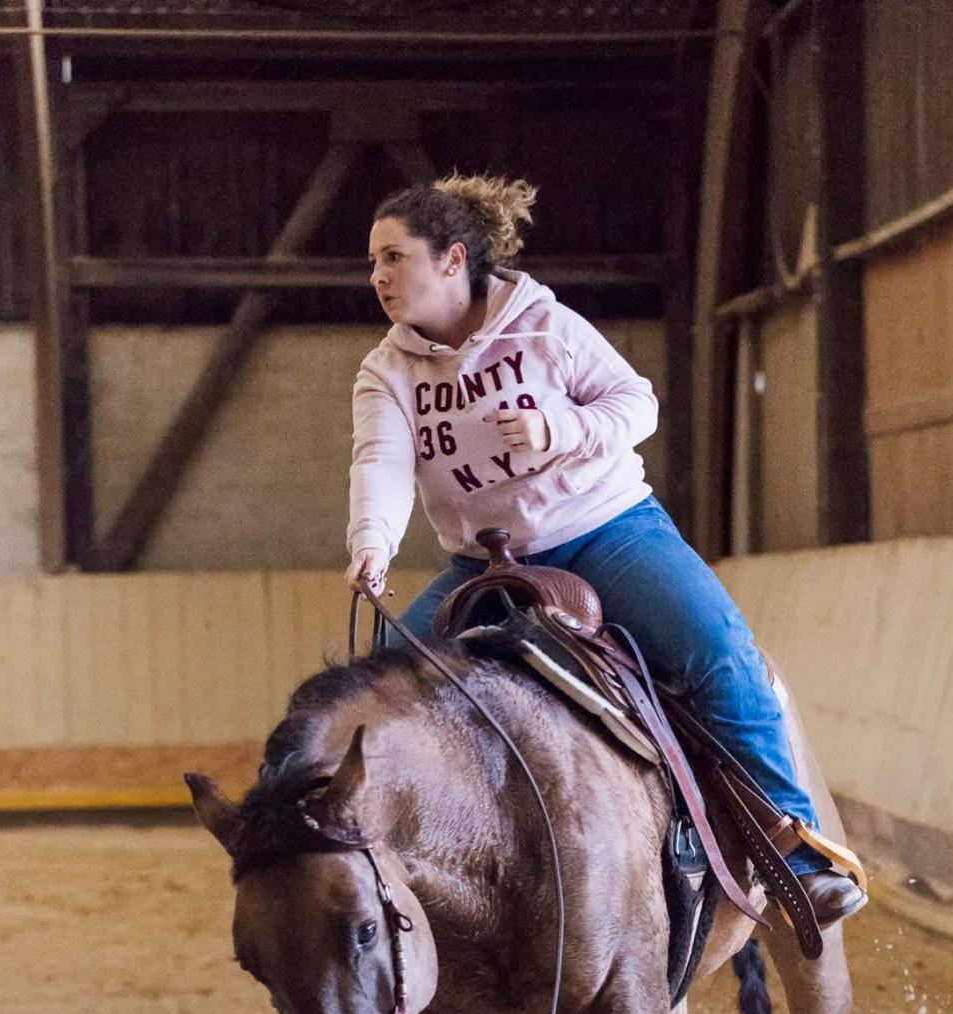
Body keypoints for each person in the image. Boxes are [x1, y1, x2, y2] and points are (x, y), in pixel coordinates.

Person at [346, 174, 865, 926]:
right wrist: (372, 543)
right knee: (373, 692)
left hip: (608, 532)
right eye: (374, 263)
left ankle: (796, 851)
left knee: (719, 650)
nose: (379, 278)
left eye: (394, 257)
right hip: (482, 565)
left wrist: (562, 430)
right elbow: (382, 463)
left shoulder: (548, 328)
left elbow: (636, 405)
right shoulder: (385, 371)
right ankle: (368, 871)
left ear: (453, 259)